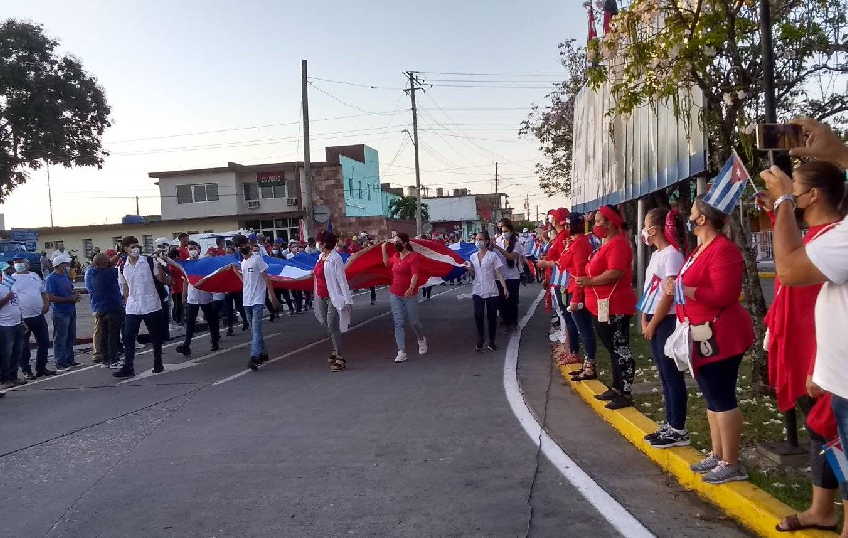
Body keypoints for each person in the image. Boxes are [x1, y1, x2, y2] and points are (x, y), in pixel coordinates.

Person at [761, 117, 848, 535]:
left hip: (831, 368)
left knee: (829, 436)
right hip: (829, 367)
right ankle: (822, 509)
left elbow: (791, 271)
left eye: (794, 189)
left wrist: (781, 208)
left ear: (813, 195)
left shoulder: (836, 235)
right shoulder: (824, 234)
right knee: (824, 433)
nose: (789, 194)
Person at [662, 196, 754, 484]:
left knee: (721, 395)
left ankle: (731, 461)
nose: (688, 217)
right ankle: (718, 453)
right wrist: (677, 286)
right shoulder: (699, 250)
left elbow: (724, 295)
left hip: (722, 334)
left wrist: (686, 290)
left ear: (702, 219)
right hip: (701, 332)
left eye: (692, 212)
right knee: (711, 396)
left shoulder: (722, 250)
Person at [576, 205, 638, 410]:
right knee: (612, 349)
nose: (595, 225)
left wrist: (590, 282)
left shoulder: (618, 244)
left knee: (620, 348)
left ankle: (625, 391)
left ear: (611, 223)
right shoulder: (606, 244)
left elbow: (615, 272)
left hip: (616, 305)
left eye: (599, 221)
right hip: (602, 306)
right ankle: (617, 387)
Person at [637, 208, 689, 448]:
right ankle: (670, 423)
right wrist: (643, 319)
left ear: (654, 229)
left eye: (645, 225)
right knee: (664, 375)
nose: (643, 231)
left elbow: (668, 295)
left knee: (671, 375)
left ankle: (678, 427)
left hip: (665, 320)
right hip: (653, 319)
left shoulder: (672, 255)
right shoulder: (658, 254)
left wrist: (654, 322)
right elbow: (651, 291)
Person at [114, 236, 166, 378]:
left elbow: (161, 279)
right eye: (132, 246)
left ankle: (158, 363)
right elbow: (124, 287)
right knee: (128, 336)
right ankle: (128, 366)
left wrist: (161, 265)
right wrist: (126, 302)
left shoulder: (149, 261)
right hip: (133, 306)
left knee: (155, 335)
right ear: (125, 249)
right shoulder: (121, 265)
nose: (135, 249)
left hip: (151, 304)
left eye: (137, 246)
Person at [560, 213, 598, 382]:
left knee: (585, 330)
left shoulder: (580, 244)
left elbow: (580, 272)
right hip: (574, 287)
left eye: (567, 226)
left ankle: (590, 365)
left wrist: (576, 298)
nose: (565, 229)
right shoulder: (575, 243)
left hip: (579, 290)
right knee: (583, 329)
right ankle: (586, 364)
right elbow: (562, 263)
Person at [381, 232, 428, 363]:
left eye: (398, 242)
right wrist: (383, 248)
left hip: (409, 294)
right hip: (395, 293)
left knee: (414, 321)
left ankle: (421, 339)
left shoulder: (413, 257)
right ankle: (401, 351)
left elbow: (415, 274)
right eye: (394, 242)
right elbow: (386, 263)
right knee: (398, 322)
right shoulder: (395, 256)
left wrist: (411, 287)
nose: (396, 245)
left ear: (405, 243)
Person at [313, 232, 353, 372]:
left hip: (333, 296)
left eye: (320, 242)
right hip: (320, 296)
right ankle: (335, 350)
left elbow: (342, 281)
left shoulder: (336, 258)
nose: (317, 244)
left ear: (325, 243)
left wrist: (348, 300)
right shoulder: (320, 257)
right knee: (325, 322)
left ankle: (340, 357)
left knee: (332, 324)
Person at [171, 242, 220, 356]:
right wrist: (184, 296)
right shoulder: (186, 263)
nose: (192, 250)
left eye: (194, 248)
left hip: (204, 296)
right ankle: (186, 345)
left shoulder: (204, 262)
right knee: (190, 322)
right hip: (192, 297)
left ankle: (214, 340)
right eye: (190, 249)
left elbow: (210, 277)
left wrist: (213, 292)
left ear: (198, 250)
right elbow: (185, 281)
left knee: (210, 320)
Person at [237, 242, 280, 370]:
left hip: (257, 300)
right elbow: (246, 281)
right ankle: (264, 353)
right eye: (240, 247)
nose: (242, 249)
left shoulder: (257, 259)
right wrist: (237, 273)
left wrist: (272, 296)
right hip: (247, 301)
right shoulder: (243, 263)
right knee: (254, 331)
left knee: (256, 330)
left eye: (243, 246)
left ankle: (254, 357)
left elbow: (266, 278)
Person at [10, 256, 54, 379]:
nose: (19, 264)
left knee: (44, 342)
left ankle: (41, 368)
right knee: (24, 346)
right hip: (22, 318)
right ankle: (26, 370)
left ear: (27, 264)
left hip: (38, 315)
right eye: (16, 262)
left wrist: (46, 303)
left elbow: (43, 292)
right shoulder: (12, 279)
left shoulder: (34, 275)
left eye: (21, 262)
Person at [466, 231, 508, 351]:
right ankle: (480, 339)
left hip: (491, 290)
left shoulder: (492, 256)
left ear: (486, 241)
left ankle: (492, 341)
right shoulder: (473, 256)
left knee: (491, 317)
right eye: (476, 239)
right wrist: (469, 269)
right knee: (478, 315)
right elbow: (473, 274)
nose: (478, 242)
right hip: (477, 289)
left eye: (480, 239)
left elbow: (498, 273)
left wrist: (504, 287)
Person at [87, 253, 124, 369]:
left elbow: (106, 263)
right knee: (113, 336)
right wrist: (120, 256)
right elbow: (112, 266)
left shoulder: (90, 273)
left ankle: (105, 359)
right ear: (105, 263)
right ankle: (113, 360)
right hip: (112, 307)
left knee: (103, 335)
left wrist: (118, 255)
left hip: (98, 308)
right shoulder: (110, 273)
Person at [45, 253, 81, 370]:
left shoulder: (65, 276)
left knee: (70, 336)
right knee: (61, 337)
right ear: (59, 265)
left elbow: (70, 289)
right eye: (65, 264)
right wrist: (68, 299)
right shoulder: (51, 278)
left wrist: (75, 295)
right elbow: (50, 297)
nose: (67, 266)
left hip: (70, 309)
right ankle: (60, 362)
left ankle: (69, 359)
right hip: (60, 312)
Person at [492, 219, 524, 328]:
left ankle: (513, 321)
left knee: (512, 301)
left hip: (512, 276)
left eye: (506, 231)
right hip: (500, 276)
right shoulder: (497, 240)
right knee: (501, 301)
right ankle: (505, 320)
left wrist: (498, 248)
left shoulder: (517, 243)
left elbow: (511, 257)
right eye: (502, 230)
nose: (504, 233)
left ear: (510, 230)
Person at [0, 265, 26, 390]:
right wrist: (6, 298)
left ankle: (13, 376)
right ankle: (4, 379)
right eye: (6, 271)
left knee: (17, 351)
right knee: (6, 353)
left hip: (17, 323)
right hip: (5, 325)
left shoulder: (11, 286)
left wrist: (22, 321)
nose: (10, 272)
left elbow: (16, 305)